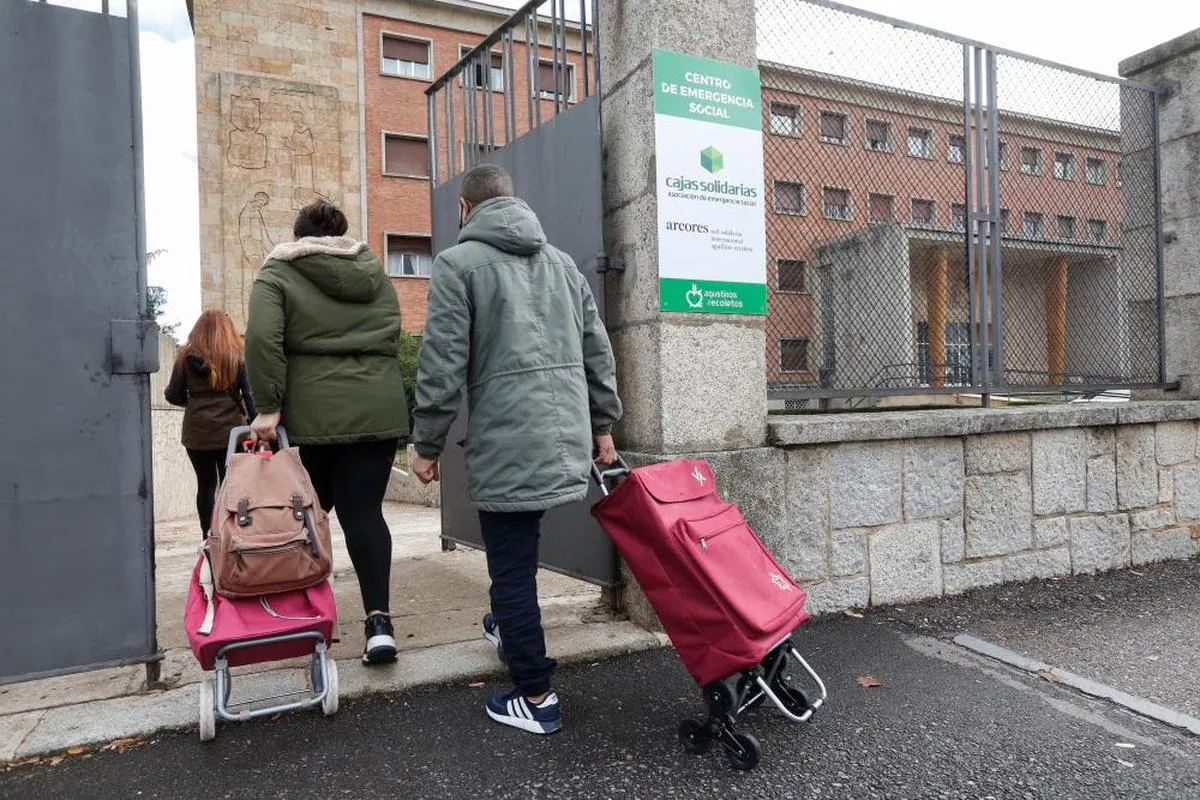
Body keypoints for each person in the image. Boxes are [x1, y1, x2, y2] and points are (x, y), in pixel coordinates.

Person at [411, 165, 622, 735]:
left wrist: (426, 444)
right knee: (518, 552)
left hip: (507, 439)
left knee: (511, 567)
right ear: (513, 203)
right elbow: (596, 353)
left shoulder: (458, 265)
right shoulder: (561, 265)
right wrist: (603, 427)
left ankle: (536, 694)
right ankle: (507, 627)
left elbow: (441, 362)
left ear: (464, 208)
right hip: (565, 436)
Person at [244, 199, 409, 666]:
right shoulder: (375, 275)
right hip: (374, 413)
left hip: (309, 418)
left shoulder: (277, 274)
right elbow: (391, 333)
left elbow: (261, 340)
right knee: (364, 515)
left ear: (298, 238)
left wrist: (269, 407)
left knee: (301, 521)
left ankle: (307, 625)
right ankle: (379, 625)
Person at [165, 310, 257, 537]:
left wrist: (195, 402)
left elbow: (173, 394)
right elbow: (249, 395)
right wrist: (256, 426)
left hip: (197, 433)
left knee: (205, 485)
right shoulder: (236, 356)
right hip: (232, 434)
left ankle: (208, 536)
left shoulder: (184, 359)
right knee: (232, 484)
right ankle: (232, 534)